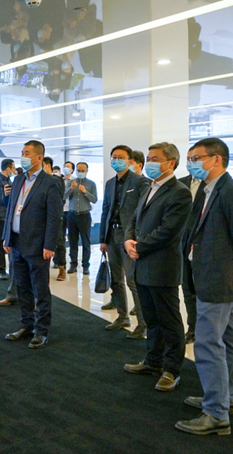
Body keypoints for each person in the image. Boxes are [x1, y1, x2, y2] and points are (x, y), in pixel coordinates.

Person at [176, 137, 233, 436]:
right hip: (205, 274)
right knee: (229, 338)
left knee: (208, 343)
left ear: (216, 159)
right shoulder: (206, 190)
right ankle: (227, 398)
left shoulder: (231, 191)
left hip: (219, 278)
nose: (191, 164)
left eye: (196, 158)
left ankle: (215, 413)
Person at [123, 142, 191, 392]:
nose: (148, 163)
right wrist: (128, 240)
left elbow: (168, 231)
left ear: (170, 163)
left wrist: (139, 247)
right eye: (149, 158)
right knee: (151, 319)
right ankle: (153, 362)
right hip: (142, 265)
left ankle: (171, 370)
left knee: (169, 322)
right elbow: (134, 220)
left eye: (154, 159)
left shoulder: (180, 192)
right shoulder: (149, 187)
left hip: (162, 267)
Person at [3, 140, 62, 350]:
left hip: (37, 244)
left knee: (40, 289)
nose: (23, 156)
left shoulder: (51, 182)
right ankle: (26, 325)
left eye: (27, 153)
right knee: (22, 287)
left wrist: (50, 245)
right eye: (22, 152)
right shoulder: (18, 179)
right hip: (17, 242)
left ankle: (41, 330)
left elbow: (54, 217)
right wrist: (7, 236)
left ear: (39, 158)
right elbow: (11, 209)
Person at [99, 145, 149, 338]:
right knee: (116, 279)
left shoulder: (140, 182)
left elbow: (144, 211)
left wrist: (136, 238)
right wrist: (103, 239)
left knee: (132, 280)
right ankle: (122, 316)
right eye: (114, 157)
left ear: (129, 160)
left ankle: (143, 324)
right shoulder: (110, 183)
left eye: (121, 157)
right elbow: (105, 210)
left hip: (130, 237)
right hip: (112, 235)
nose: (116, 160)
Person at [179, 145, 203, 345]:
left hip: (203, 245)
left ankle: (205, 329)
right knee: (187, 289)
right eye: (189, 159)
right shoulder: (180, 184)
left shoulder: (213, 186)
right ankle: (192, 328)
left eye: (195, 159)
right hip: (182, 243)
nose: (191, 163)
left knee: (202, 290)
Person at [66, 162, 97, 275]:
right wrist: (71, 189)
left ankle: (85, 266)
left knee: (86, 241)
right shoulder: (70, 182)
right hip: (72, 215)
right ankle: (73, 264)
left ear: (87, 171)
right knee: (72, 241)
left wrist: (85, 192)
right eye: (78, 170)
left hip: (84, 215)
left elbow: (94, 199)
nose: (80, 172)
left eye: (83, 171)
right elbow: (63, 196)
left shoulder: (91, 184)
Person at [0, 159, 15, 281]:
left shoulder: (8, 180)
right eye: (13, 167)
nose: (14, 170)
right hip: (1, 216)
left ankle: (12, 268)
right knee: (2, 242)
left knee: (10, 242)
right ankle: (1, 269)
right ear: (8, 168)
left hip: (9, 215)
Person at [56, 161, 75, 280]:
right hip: (61, 210)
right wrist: (70, 189)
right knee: (60, 237)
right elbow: (62, 196)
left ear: (72, 169)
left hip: (71, 211)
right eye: (64, 166)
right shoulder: (60, 181)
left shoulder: (75, 180)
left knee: (72, 237)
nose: (66, 168)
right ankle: (58, 261)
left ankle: (73, 262)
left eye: (68, 167)